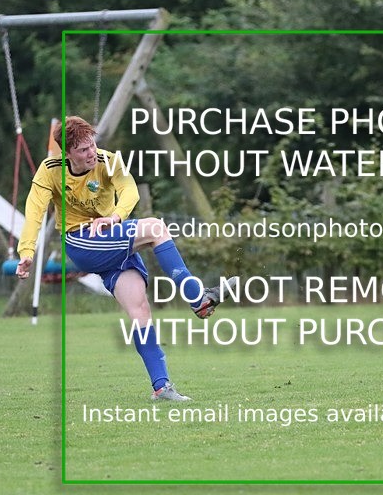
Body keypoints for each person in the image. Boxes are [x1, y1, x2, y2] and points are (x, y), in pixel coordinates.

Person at [16, 115, 227, 401]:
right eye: (82, 150)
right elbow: (35, 210)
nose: (91, 153)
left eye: (92, 145)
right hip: (81, 242)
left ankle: (161, 386)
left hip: (111, 238)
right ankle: (197, 298)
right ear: (67, 153)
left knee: (140, 311)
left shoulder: (108, 160)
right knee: (156, 228)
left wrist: (113, 217)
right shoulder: (50, 170)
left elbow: (129, 191)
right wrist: (26, 251)